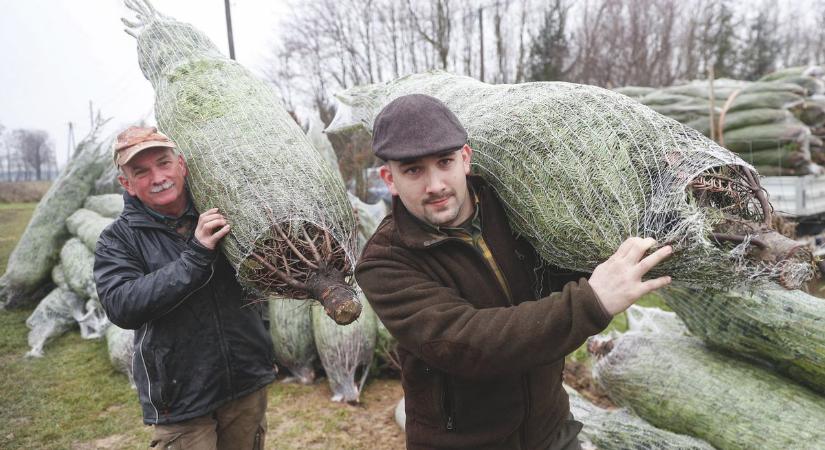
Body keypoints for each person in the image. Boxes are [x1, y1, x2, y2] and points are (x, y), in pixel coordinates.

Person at [355, 94, 673, 450]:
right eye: (413, 170)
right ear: (390, 179)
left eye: (444, 162)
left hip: (552, 433)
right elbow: (468, 344)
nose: (435, 185)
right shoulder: (385, 261)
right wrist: (592, 300)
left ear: (465, 159)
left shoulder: (517, 208)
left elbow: (559, 269)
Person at [93, 126, 276, 450]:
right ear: (127, 184)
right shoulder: (118, 239)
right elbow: (121, 304)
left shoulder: (226, 211)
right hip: (180, 398)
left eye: (164, 163)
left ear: (182, 165)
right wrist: (196, 254)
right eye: (142, 171)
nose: (158, 177)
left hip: (246, 380)